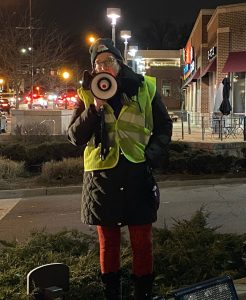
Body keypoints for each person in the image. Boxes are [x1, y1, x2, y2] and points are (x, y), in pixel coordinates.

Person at [68, 38, 172, 300]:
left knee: (142, 243)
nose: (104, 67)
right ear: (93, 69)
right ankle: (111, 294)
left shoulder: (144, 87)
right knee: (108, 245)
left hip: (137, 173)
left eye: (109, 61)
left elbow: (163, 126)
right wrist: (94, 108)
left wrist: (151, 157)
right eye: (98, 63)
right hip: (102, 178)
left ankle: (143, 295)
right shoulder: (87, 93)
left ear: (120, 63)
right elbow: (75, 137)